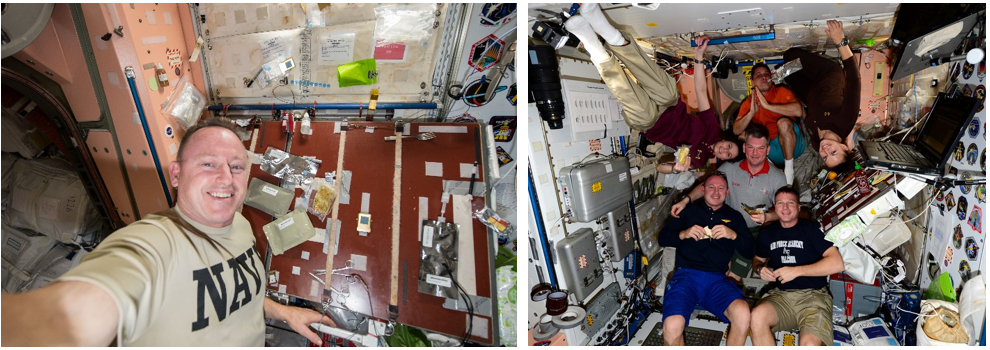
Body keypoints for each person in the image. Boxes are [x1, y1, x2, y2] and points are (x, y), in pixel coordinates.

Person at [1, 118, 335, 346]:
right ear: (176, 174)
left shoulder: (242, 226)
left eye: (236, 166)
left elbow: (240, 293)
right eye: (208, 163)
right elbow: (65, 319)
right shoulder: (153, 244)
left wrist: (284, 311)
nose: (226, 178)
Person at [564, 4, 740, 173]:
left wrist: (675, 169)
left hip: (652, 123)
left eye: (727, 155)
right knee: (667, 89)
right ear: (727, 140)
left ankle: (591, 43)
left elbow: (660, 167)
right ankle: (606, 30)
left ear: (723, 159)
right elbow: (701, 92)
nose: (724, 150)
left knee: (628, 94)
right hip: (671, 105)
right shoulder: (713, 128)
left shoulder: (698, 162)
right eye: (729, 147)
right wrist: (699, 58)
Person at [656, 172, 754, 345]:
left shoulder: (734, 217)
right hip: (685, 277)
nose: (716, 192)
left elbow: (749, 251)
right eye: (711, 187)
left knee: (743, 312)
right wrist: (683, 233)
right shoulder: (687, 212)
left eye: (721, 188)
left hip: (717, 281)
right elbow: (662, 239)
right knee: (672, 326)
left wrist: (733, 235)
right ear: (702, 190)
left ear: (727, 192)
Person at [750, 187, 844, 346]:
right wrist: (760, 269)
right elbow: (757, 259)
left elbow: (837, 263)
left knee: (809, 345)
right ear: (775, 207)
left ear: (799, 207)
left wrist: (797, 271)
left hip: (814, 297)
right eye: (780, 203)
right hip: (782, 296)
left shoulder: (812, 229)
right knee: (756, 316)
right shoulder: (767, 233)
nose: (785, 208)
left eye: (790, 203)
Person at [672, 123, 787, 229]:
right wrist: (685, 201)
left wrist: (766, 217)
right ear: (744, 148)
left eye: (760, 148)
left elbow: (783, 211)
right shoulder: (729, 167)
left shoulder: (778, 178)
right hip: (726, 226)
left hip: (756, 230)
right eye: (750, 147)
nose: (755, 153)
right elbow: (707, 187)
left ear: (768, 150)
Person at [780, 20, 861, 170]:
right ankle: (814, 58)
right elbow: (854, 79)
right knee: (790, 55)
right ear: (844, 148)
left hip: (810, 94)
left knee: (784, 72)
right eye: (833, 152)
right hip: (828, 75)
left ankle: (807, 61)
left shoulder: (818, 143)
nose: (825, 151)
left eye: (825, 157)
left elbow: (808, 118)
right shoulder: (846, 121)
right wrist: (840, 41)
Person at [733, 62, 805, 185]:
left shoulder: (781, 91)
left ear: (771, 78)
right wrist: (751, 113)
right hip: (771, 149)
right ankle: (770, 166)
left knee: (783, 123)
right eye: (759, 75)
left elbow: (798, 110)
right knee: (743, 135)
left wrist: (767, 106)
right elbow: (736, 130)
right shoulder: (749, 102)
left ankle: (788, 171)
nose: (764, 77)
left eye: (766, 74)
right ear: (753, 82)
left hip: (793, 144)